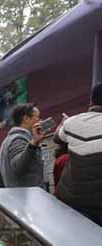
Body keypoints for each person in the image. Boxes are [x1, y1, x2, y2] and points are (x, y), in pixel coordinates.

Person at [54, 82, 102, 224]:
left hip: (75, 200)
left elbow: (58, 137)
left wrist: (66, 123)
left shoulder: (71, 122)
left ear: (92, 100)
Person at [0, 103, 52, 187]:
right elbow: (18, 167)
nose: (40, 120)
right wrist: (33, 144)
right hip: (27, 197)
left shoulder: (12, 139)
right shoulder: (17, 139)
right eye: (37, 117)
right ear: (26, 118)